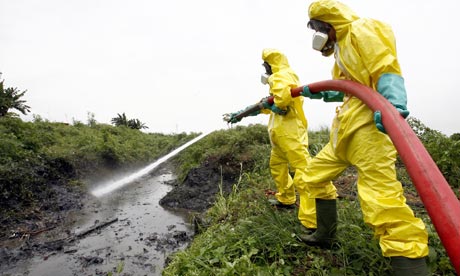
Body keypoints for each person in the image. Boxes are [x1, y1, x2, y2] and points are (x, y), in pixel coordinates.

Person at [299, 0, 430, 275]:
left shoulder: (362, 29)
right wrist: (320, 92)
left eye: (317, 30)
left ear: (327, 25)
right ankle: (325, 234)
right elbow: (349, 88)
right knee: (312, 176)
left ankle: (410, 266)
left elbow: (386, 68)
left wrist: (392, 106)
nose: (318, 38)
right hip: (344, 132)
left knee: (381, 200)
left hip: (369, 130)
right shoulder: (341, 49)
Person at [258, 48, 336, 234]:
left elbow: (282, 101)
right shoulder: (282, 77)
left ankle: (310, 221)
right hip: (280, 135)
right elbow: (276, 103)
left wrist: (275, 104)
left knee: (302, 172)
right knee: (277, 166)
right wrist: (266, 106)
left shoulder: (279, 76)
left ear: (271, 64)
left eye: (265, 66)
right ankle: (286, 198)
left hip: (289, 133)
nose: (265, 71)